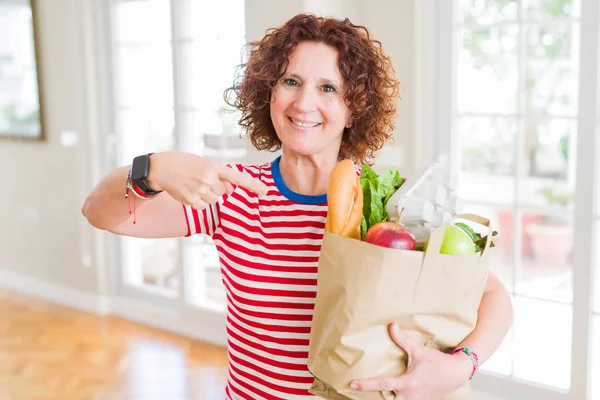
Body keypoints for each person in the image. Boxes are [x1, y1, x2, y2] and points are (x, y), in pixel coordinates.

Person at [82, 13, 513, 400]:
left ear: (353, 109)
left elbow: (493, 294)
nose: (304, 103)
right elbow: (100, 213)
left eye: (328, 88)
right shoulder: (232, 190)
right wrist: (152, 169)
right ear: (267, 93)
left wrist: (461, 365)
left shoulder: (389, 204)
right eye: (290, 81)